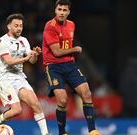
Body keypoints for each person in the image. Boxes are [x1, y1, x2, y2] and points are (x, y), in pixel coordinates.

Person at [42, 0, 101, 135]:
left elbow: (66, 47)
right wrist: (75, 49)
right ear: (55, 10)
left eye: (64, 10)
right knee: (62, 100)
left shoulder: (71, 25)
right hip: (53, 67)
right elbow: (56, 52)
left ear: (68, 12)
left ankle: (92, 130)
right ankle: (62, 132)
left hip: (69, 65)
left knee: (86, 93)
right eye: (59, 9)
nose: (61, 12)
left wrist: (71, 52)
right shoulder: (50, 26)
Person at [0, 13, 50, 135]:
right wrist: (26, 59)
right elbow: (9, 61)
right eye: (16, 25)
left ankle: (45, 133)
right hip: (6, 79)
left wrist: (35, 55)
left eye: (21, 26)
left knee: (36, 104)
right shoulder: (2, 41)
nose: (19, 28)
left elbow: (31, 61)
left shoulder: (24, 40)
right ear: (9, 27)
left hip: (20, 78)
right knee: (16, 110)